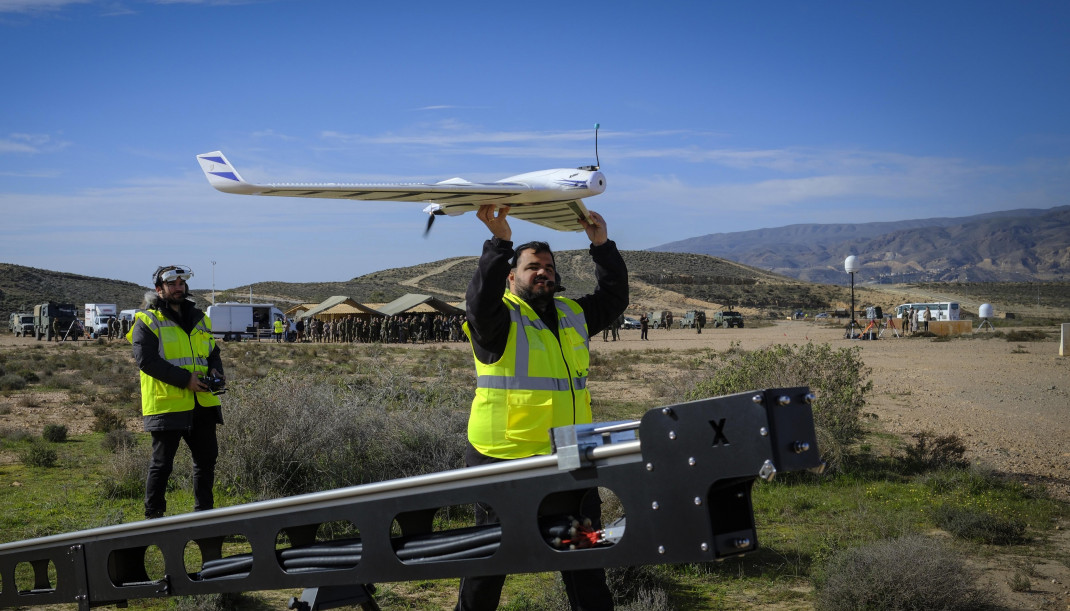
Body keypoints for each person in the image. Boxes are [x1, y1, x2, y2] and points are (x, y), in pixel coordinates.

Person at [456, 205, 627, 611]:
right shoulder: (499, 320)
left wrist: (601, 245)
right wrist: (499, 243)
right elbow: (479, 302)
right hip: (506, 462)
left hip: (570, 461)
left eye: (549, 266)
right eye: (533, 266)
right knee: (489, 565)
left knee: (585, 558)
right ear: (511, 276)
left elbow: (614, 297)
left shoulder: (573, 314)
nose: (544, 272)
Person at [128, 265, 224, 520]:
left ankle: (204, 516)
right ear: (160, 290)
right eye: (172, 284)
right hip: (167, 405)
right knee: (162, 464)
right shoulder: (147, 320)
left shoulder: (200, 318)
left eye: (181, 283)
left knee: (206, 461)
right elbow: (146, 361)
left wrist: (216, 371)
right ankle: (154, 517)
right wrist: (186, 380)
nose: (178, 287)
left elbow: (213, 352)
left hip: (202, 401)